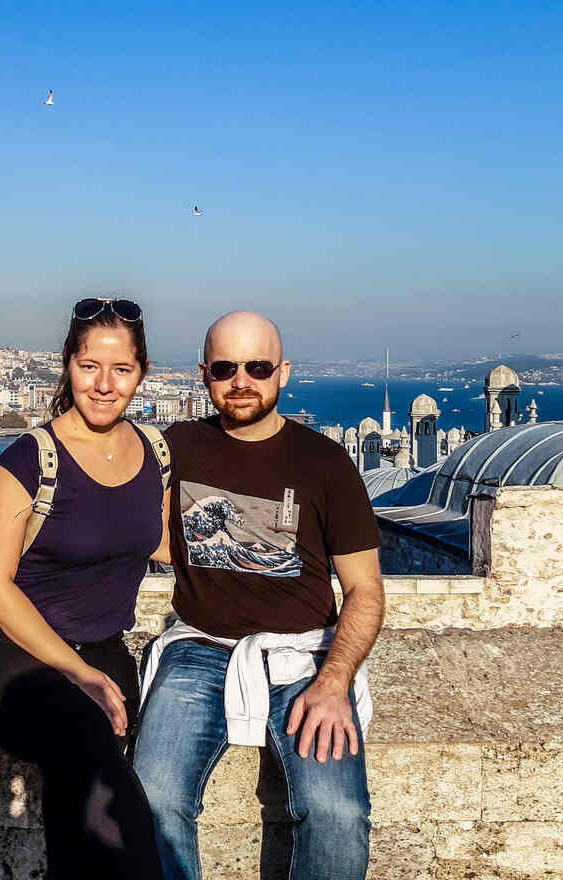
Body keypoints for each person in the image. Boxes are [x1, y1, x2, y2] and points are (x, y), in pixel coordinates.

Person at [135, 310, 386, 880]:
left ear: (283, 372)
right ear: (204, 374)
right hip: (200, 646)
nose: (241, 380)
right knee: (152, 798)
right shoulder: (176, 449)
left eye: (257, 366)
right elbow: (148, 536)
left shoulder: (325, 463)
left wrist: (333, 683)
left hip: (305, 655)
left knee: (338, 812)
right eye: (225, 367)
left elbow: (365, 589)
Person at [0, 297, 167, 880]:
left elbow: (170, 545)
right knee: (92, 759)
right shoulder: (29, 460)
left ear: (142, 373)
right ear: (67, 365)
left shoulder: (156, 455)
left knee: (88, 787)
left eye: (120, 369)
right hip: (11, 657)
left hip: (102, 652)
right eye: (88, 366)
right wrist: (78, 673)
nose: (103, 385)